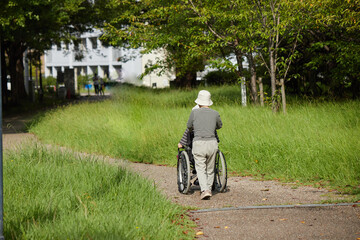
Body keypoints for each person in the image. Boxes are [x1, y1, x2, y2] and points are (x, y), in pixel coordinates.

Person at [180, 90, 222, 200]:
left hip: (199, 143)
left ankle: (205, 190)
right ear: (209, 102)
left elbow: (189, 126)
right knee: (210, 168)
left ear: (199, 102)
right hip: (212, 143)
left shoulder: (194, 113)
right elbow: (219, 126)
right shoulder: (215, 113)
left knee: (200, 167)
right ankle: (208, 187)